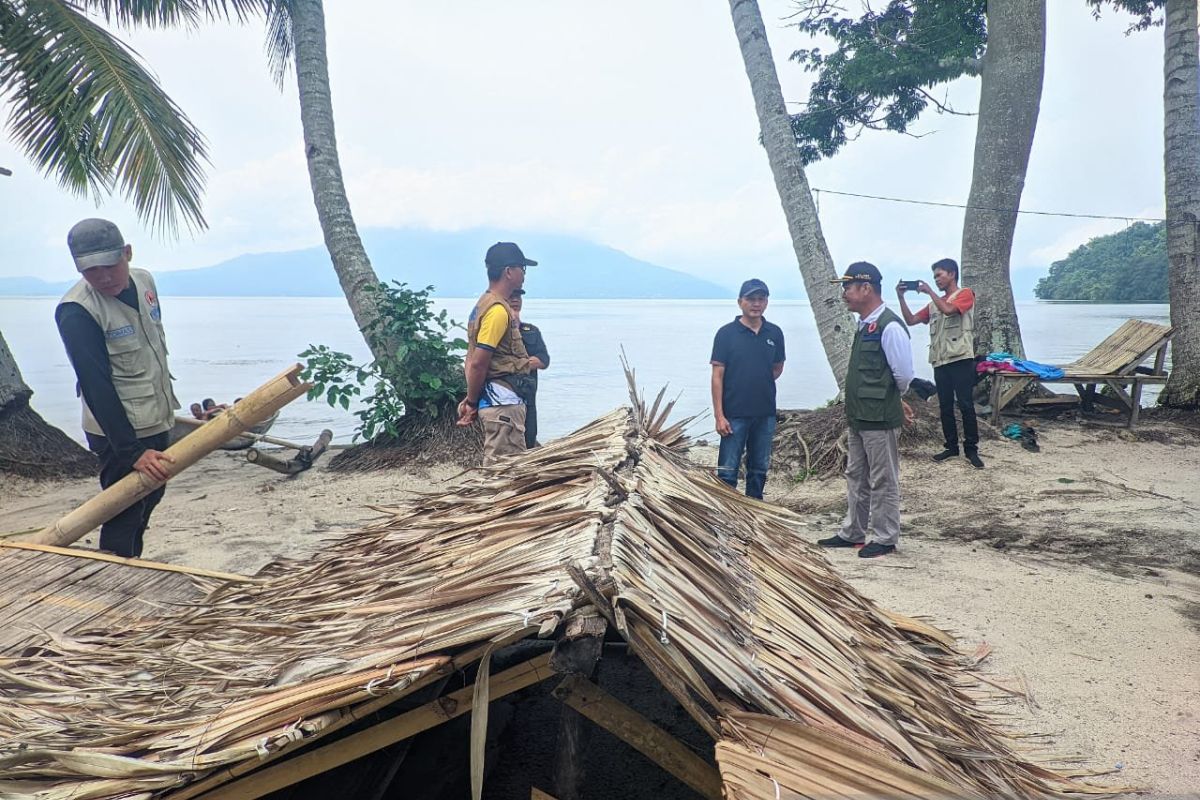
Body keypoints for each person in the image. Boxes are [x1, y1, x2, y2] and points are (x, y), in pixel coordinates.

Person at [55, 218, 180, 558]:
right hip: (116, 433)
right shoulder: (77, 311)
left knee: (150, 499)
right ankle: (115, 577)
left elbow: (154, 346)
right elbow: (96, 387)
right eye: (91, 271)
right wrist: (130, 451)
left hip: (156, 416)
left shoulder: (145, 281)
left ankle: (133, 564)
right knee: (123, 510)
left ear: (127, 252)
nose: (104, 278)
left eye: (111, 265)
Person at [818, 262, 914, 558]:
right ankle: (853, 532)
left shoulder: (890, 326)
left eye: (847, 287)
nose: (844, 293)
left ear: (866, 288)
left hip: (879, 417)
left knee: (883, 477)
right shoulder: (864, 324)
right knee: (856, 474)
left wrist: (890, 398)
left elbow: (904, 375)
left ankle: (885, 536)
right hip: (859, 415)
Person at [456, 242, 544, 466]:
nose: (524, 275)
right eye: (522, 269)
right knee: (505, 473)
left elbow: (470, 357)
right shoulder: (497, 311)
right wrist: (473, 402)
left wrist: (471, 397)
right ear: (508, 272)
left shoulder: (482, 306)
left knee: (502, 469)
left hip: (497, 402)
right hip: (503, 406)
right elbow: (478, 363)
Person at [896, 258, 983, 469]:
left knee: (965, 404)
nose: (936, 280)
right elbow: (911, 321)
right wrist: (901, 297)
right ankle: (951, 447)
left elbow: (949, 310)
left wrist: (929, 292)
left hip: (961, 357)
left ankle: (971, 449)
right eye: (934, 276)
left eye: (939, 275)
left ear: (952, 274)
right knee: (944, 406)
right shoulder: (933, 305)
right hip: (940, 360)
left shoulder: (965, 294)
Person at [710, 279, 786, 500]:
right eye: (751, 299)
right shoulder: (726, 334)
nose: (756, 304)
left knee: (759, 467)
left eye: (761, 299)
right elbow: (717, 376)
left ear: (766, 302)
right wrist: (719, 416)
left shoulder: (775, 333)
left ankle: (755, 510)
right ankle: (726, 511)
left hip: (765, 413)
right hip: (734, 414)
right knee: (727, 470)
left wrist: (757, 381)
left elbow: (777, 367)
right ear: (740, 302)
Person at [507, 288, 550, 449]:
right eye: (511, 296)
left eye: (518, 296)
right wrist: (527, 363)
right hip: (506, 398)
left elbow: (544, 360)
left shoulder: (532, 330)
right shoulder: (498, 329)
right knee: (508, 442)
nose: (515, 299)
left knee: (529, 438)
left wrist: (520, 364)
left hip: (529, 398)